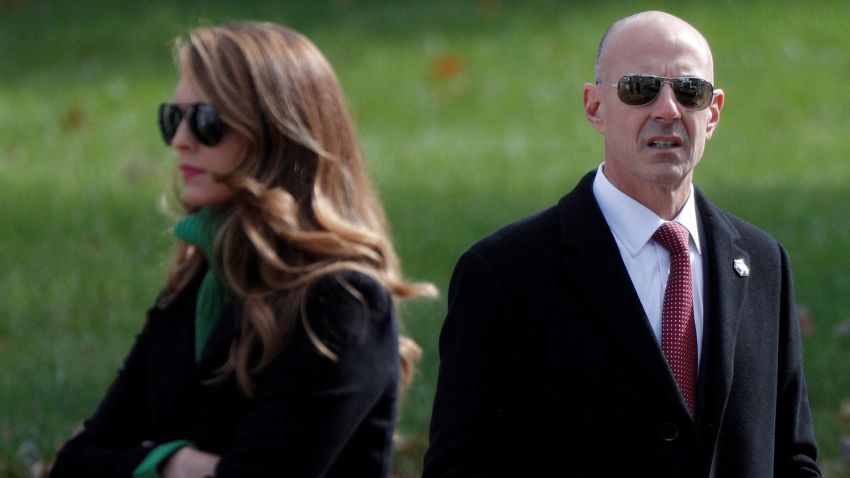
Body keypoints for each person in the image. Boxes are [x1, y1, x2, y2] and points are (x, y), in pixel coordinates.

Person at [423, 10, 820, 478]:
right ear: (594, 107)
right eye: (640, 88)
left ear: (712, 114)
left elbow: (792, 457)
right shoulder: (505, 274)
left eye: (689, 91)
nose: (668, 109)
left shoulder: (763, 262)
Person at [50, 21, 434, 478]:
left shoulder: (342, 300)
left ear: (278, 134)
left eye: (208, 122)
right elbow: (75, 462)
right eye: (172, 118)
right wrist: (175, 464)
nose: (180, 140)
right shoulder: (201, 280)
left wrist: (143, 462)